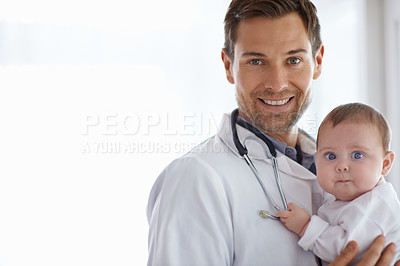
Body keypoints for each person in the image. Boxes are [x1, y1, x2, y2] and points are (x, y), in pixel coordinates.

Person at [147, 0, 398, 265]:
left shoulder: (340, 166)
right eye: (256, 61)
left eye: (293, 60)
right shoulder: (195, 178)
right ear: (227, 64)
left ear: (318, 60)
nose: (277, 84)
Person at [277, 103, 400, 265]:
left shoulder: (373, 205)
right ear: (317, 159)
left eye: (357, 155)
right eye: (331, 156)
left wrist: (306, 227)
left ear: (385, 164)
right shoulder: (348, 198)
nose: (342, 166)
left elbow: (348, 249)